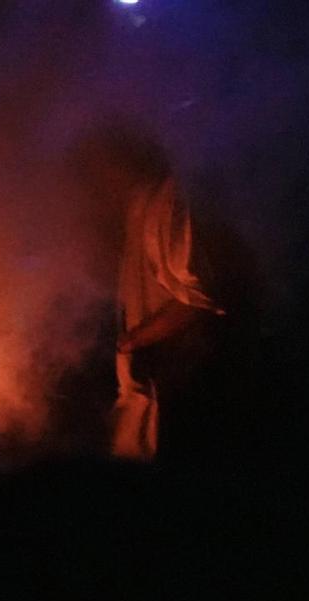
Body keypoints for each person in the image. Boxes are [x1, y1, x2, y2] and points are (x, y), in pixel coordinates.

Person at [70, 123, 226, 462]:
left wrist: (133, 341)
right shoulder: (138, 204)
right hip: (146, 397)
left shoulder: (168, 201)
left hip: (175, 396)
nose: (93, 182)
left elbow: (197, 300)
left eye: (100, 166)